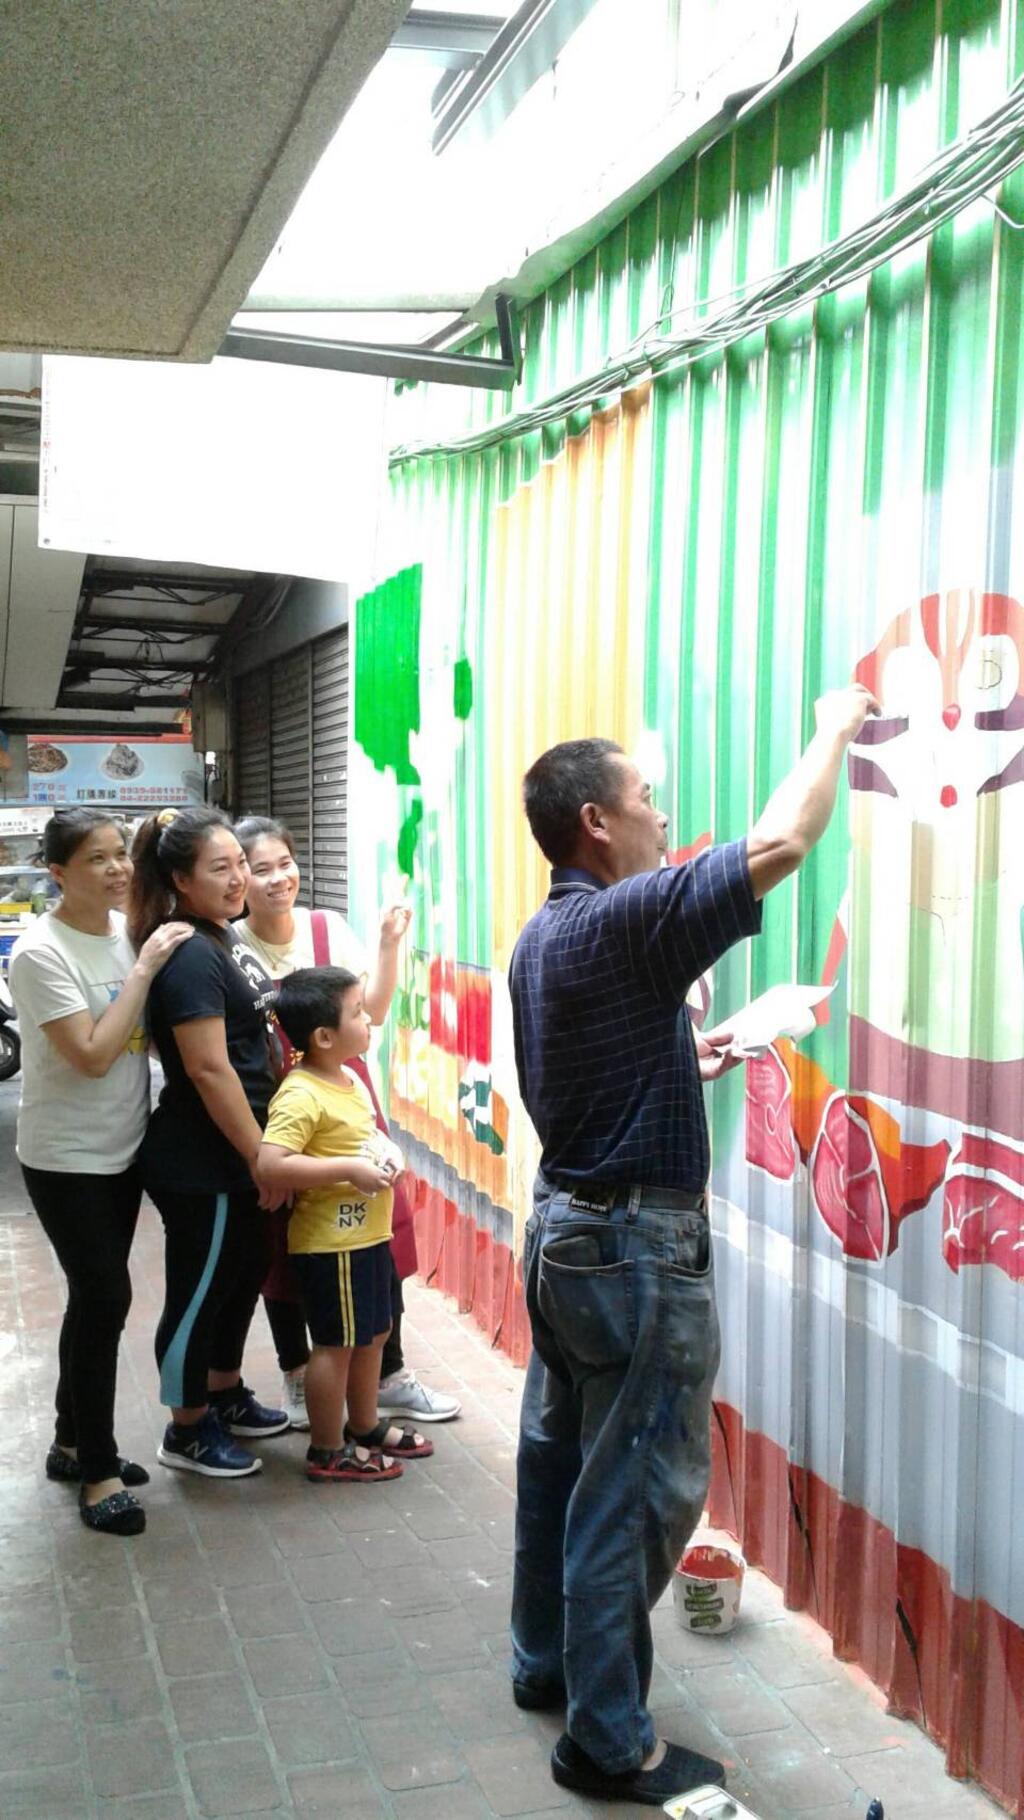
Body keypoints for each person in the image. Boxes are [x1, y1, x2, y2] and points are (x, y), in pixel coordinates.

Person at [508, 687, 880, 1806]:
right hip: (632, 1247)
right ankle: (608, 1741)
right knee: (632, 1491)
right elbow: (785, 839)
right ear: (595, 823)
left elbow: (589, 1063)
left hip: (569, 1232)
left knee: (559, 1465)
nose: (663, 817)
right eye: (646, 799)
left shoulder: (549, 932)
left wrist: (684, 1052)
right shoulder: (623, 920)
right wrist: (835, 722)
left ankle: (547, 1666)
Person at [234, 815, 460, 1427]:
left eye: (285, 862)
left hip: (352, 1104)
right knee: (285, 1250)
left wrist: (388, 945)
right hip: (284, 1118)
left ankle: (389, 1374)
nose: (279, 878)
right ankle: (299, 1379)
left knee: (383, 1237)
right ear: (237, 877)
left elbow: (376, 1011)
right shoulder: (231, 948)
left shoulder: (325, 928)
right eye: (260, 868)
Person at [9, 808, 193, 1536]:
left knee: (93, 1300)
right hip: (64, 1157)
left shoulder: (124, 930)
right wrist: (144, 970)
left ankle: (70, 1439)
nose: (117, 869)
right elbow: (89, 1054)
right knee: (106, 1294)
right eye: (96, 859)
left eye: (121, 855)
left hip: (123, 1147)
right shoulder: (40, 952)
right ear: (57, 871)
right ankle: (100, 1472)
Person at [128, 806, 290, 1479]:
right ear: (180, 879)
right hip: (206, 1161)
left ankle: (223, 1392)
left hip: (239, 1151)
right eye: (218, 868)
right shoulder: (191, 952)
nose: (237, 879)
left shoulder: (222, 936)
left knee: (238, 1282)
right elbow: (207, 1068)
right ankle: (186, 1428)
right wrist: (260, 1155)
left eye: (239, 865)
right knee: (201, 1291)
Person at [259, 966, 435, 1480]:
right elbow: (272, 1163)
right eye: (357, 1012)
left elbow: (364, 1137)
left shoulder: (350, 1075)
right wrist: (349, 1171)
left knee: (374, 1335)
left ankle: (365, 1426)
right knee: (334, 1346)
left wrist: (386, 1155)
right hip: (331, 1245)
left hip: (368, 1236)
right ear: (323, 1036)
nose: (367, 1019)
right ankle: (327, 1449)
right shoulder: (301, 1092)